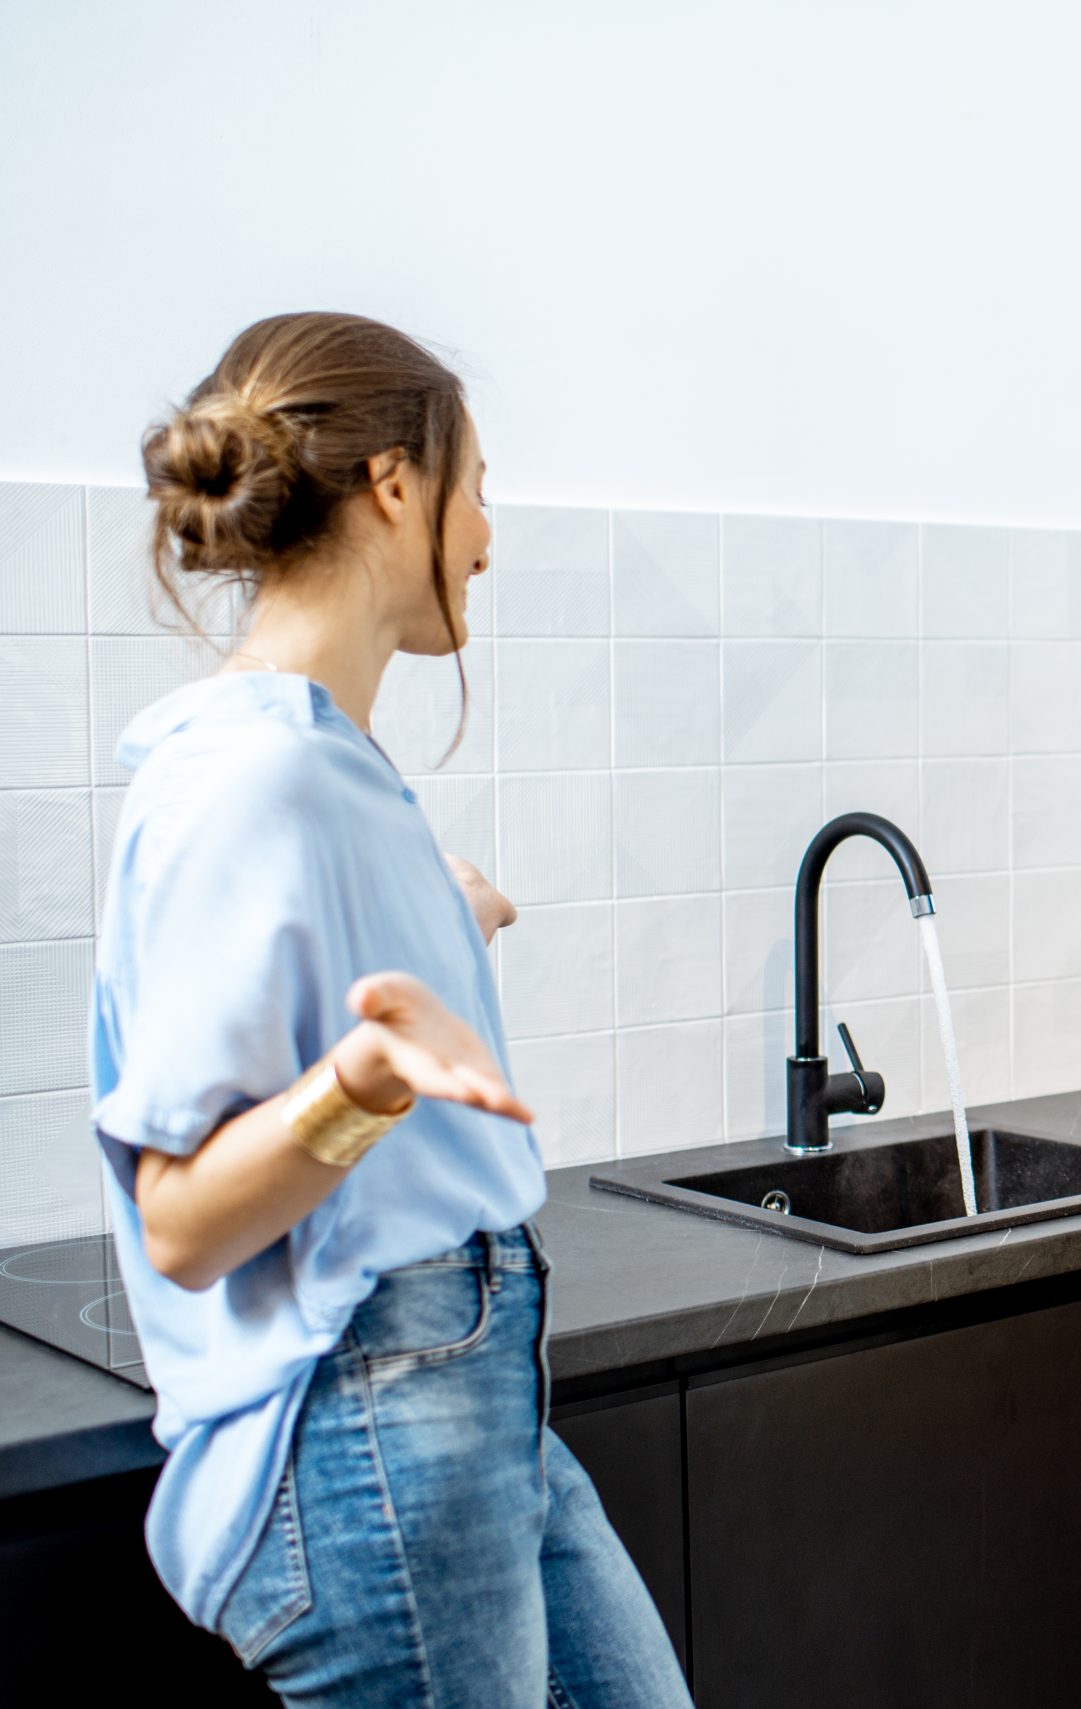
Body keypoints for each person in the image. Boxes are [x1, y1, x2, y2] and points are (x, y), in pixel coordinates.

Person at [93, 311, 692, 1707]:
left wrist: (443, 915)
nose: (486, 534)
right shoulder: (247, 778)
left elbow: (329, 996)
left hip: (467, 1393)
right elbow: (180, 1220)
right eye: (478, 486)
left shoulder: (326, 766)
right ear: (394, 485)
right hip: (371, 1421)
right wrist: (361, 1086)